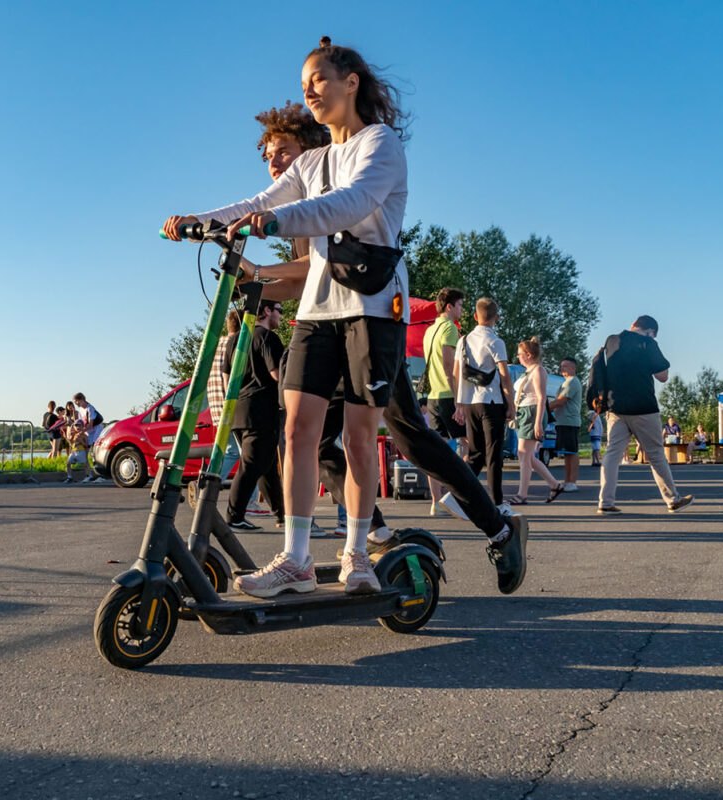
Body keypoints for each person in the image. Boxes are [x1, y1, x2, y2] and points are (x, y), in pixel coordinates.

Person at [165, 38, 526, 596]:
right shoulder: (311, 162)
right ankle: (297, 559)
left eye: (318, 79)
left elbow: (350, 204)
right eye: (303, 84)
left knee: (367, 437)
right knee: (298, 429)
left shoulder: (379, 145)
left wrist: (274, 223)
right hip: (316, 311)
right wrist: (197, 220)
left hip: (373, 307)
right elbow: (257, 202)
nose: (309, 91)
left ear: (350, 81)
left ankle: (360, 551)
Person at [595, 315, 693, 514]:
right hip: (643, 407)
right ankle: (672, 499)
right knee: (656, 454)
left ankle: (605, 502)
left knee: (613, 454)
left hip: (615, 407)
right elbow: (662, 376)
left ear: (633, 325)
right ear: (651, 332)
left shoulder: (611, 340)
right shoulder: (648, 343)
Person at [222, 299, 286, 531]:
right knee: (252, 465)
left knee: (265, 465)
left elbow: (227, 381)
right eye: (279, 310)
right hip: (262, 410)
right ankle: (233, 515)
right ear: (267, 311)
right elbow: (278, 373)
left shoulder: (234, 340)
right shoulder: (267, 338)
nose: (281, 315)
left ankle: (282, 514)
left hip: (239, 410)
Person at [454, 297, 513, 507]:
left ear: (475, 316)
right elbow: (505, 375)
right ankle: (497, 502)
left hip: (470, 402)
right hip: (491, 401)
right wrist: (511, 403)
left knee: (475, 454)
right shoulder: (496, 342)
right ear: (496, 318)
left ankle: (456, 495)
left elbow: (456, 373)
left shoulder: (463, 341)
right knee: (494, 454)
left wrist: (458, 403)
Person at [422, 287, 468, 514]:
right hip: (449, 395)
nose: (462, 309)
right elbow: (450, 366)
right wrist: (459, 399)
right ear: (449, 306)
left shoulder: (429, 330)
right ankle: (457, 496)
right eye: (460, 305)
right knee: (470, 445)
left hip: (433, 397)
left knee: (436, 451)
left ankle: (435, 501)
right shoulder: (449, 328)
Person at [506, 338, 561, 504]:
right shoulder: (528, 371)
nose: (518, 357)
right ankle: (554, 484)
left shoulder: (538, 371)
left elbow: (541, 397)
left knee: (523, 454)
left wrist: (538, 423)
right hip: (523, 412)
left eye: (520, 354)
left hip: (531, 412)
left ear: (528, 355)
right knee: (528, 456)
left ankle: (522, 494)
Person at [208, 310, 244, 480]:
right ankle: (208, 485)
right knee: (247, 454)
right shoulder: (237, 344)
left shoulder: (216, 344)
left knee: (230, 450)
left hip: (216, 405)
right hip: (232, 406)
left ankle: (207, 481)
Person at [548, 356, 583, 492]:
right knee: (567, 453)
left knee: (571, 452)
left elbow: (560, 401)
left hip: (570, 421)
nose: (562, 368)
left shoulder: (572, 382)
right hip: (563, 422)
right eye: (562, 366)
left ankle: (572, 482)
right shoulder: (565, 382)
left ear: (573, 368)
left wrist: (542, 408)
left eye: (566, 366)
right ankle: (567, 481)